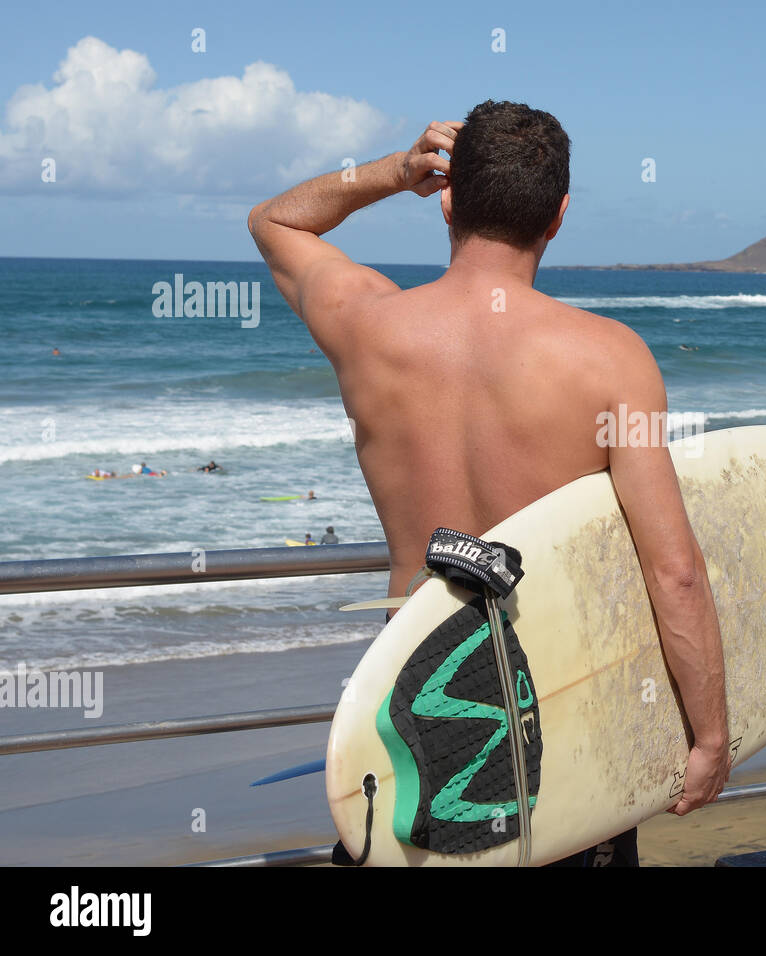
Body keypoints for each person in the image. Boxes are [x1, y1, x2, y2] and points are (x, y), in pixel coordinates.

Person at [249, 100, 729, 867]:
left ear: (446, 198)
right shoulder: (613, 362)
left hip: (409, 704)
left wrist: (390, 172)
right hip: (553, 727)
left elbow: (275, 222)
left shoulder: (367, 326)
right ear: (559, 217)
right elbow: (673, 572)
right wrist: (709, 735)